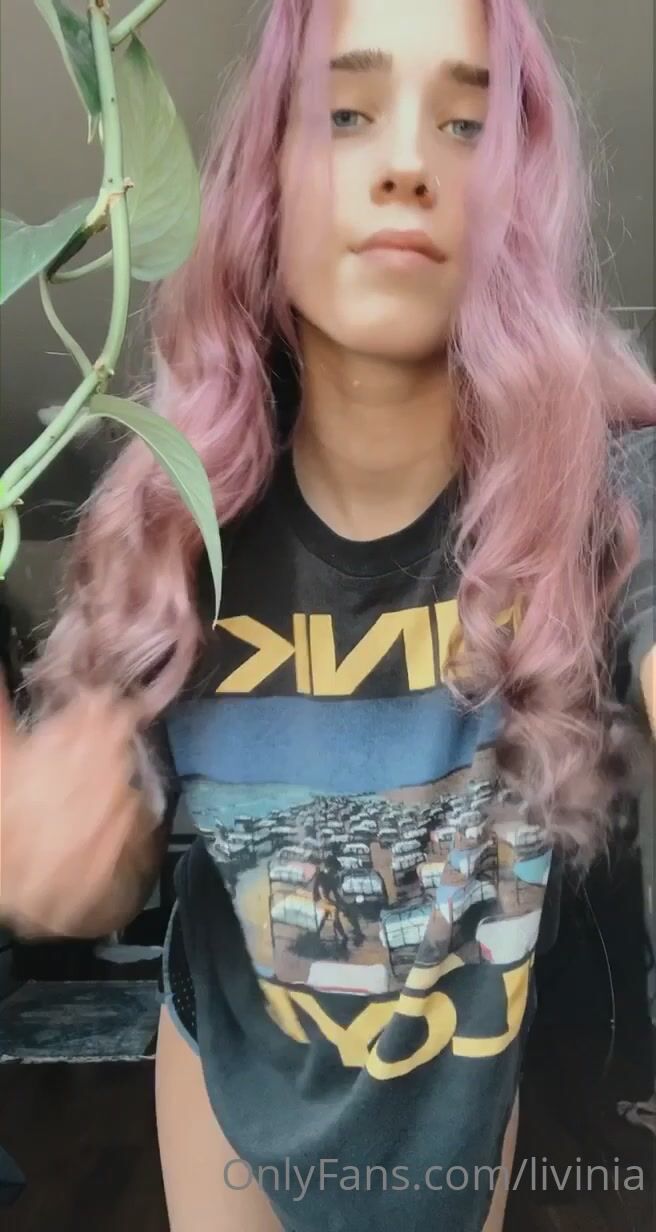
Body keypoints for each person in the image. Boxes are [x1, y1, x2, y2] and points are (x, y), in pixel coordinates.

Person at [1, 1, 655, 1230]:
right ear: (263, 184)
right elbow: (98, 862)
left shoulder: (606, 495)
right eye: (346, 115)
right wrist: (47, 852)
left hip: (460, 1098)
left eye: (464, 127)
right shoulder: (166, 529)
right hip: (227, 1090)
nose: (405, 161)